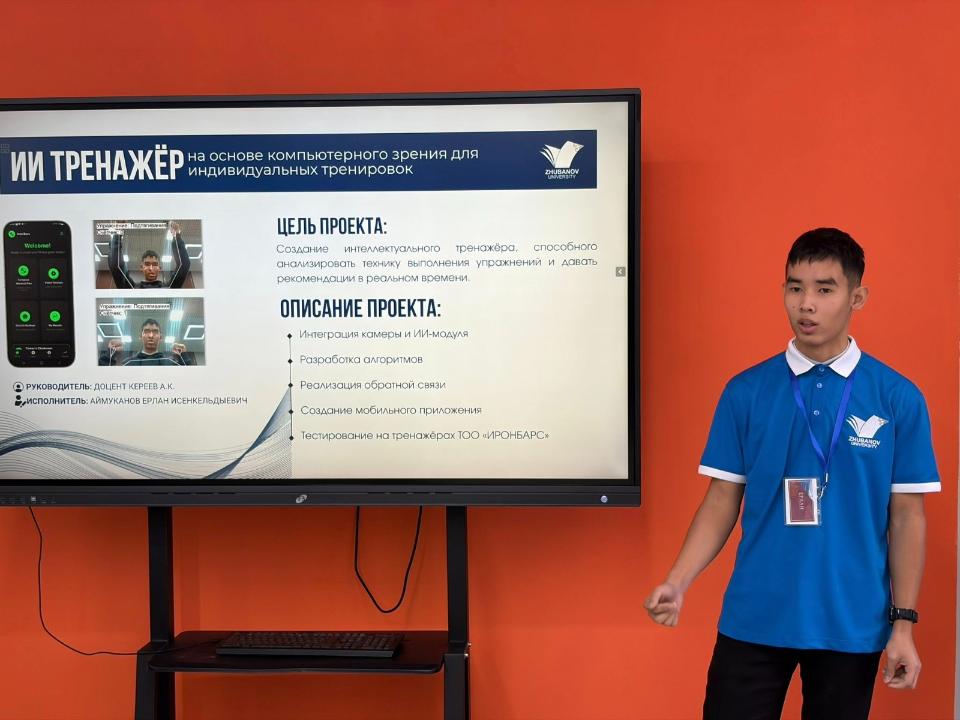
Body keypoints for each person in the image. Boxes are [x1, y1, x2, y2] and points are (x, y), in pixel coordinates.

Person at [644, 228, 939, 720]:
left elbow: (907, 516)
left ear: (857, 297)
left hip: (851, 622)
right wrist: (678, 581)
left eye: (825, 289)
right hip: (755, 617)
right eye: (795, 287)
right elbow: (721, 499)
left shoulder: (897, 398)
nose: (807, 304)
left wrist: (903, 624)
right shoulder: (746, 391)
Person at [108, 221, 191, 289]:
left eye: (155, 264)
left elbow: (184, 265)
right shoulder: (132, 288)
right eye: (147, 264)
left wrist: (177, 236)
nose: (151, 268)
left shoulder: (169, 288)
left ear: (159, 268)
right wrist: (117, 233)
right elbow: (116, 266)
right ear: (141, 267)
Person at [98, 318, 189, 366]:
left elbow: (188, 381)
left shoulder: (170, 363)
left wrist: (183, 356)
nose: (151, 335)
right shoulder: (128, 363)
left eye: (155, 332)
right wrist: (110, 354)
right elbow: (105, 380)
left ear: (160, 337)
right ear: (140, 337)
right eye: (146, 331)